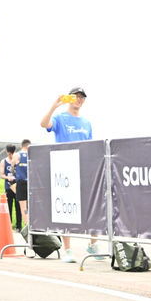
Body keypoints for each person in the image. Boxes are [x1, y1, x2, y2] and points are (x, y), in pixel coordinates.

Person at [40, 87, 96, 262]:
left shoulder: (86, 123)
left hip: (84, 168)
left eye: (82, 97)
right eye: (76, 96)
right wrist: (54, 106)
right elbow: (44, 124)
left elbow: (90, 146)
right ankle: (68, 250)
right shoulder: (60, 118)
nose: (79, 99)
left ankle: (93, 245)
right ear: (69, 98)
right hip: (64, 169)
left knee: (93, 205)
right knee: (67, 209)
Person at [0, 145, 20, 231]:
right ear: (7, 152)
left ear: (15, 151)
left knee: (18, 207)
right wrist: (8, 177)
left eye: (12, 154)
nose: (11, 156)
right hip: (8, 187)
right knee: (8, 207)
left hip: (17, 187)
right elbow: (1, 175)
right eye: (9, 154)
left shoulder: (18, 161)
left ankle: (18, 226)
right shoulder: (3, 161)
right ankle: (8, 226)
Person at [14, 140, 30, 231]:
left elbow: (12, 168)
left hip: (21, 182)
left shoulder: (17, 155)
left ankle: (27, 225)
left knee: (23, 206)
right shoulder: (32, 154)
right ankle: (34, 224)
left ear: (22, 146)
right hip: (31, 182)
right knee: (31, 205)